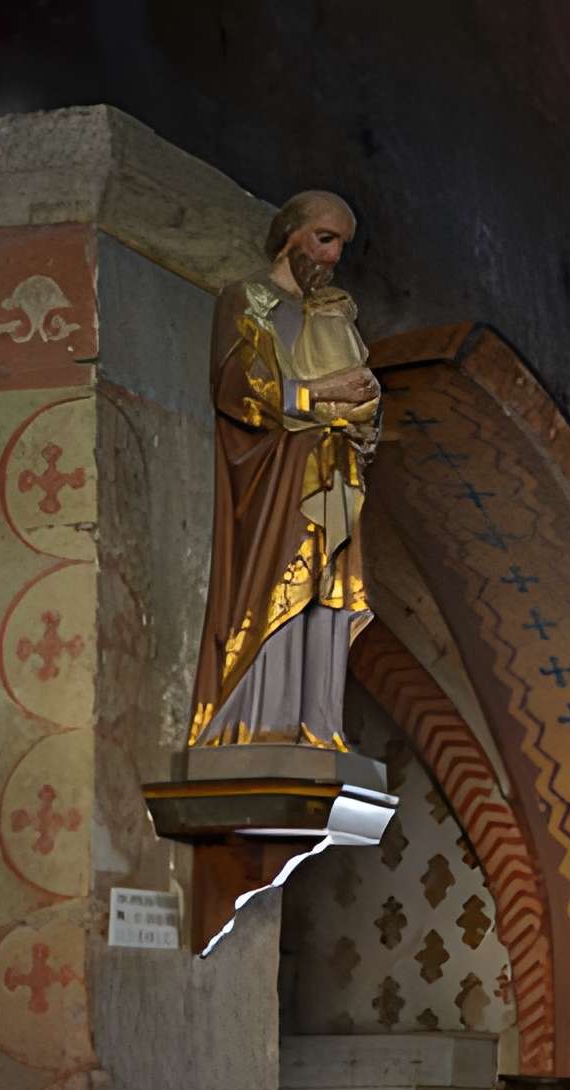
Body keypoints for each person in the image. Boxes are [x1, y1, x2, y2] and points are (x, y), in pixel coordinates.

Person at [188, 190, 380, 749]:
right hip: (276, 475)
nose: (331, 257)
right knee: (281, 583)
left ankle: (317, 725)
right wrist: (328, 392)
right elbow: (242, 391)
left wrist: (365, 399)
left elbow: (359, 400)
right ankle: (262, 724)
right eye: (324, 239)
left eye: (341, 245)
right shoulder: (248, 299)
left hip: (332, 468)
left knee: (330, 594)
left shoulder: (331, 314)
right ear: (290, 235)